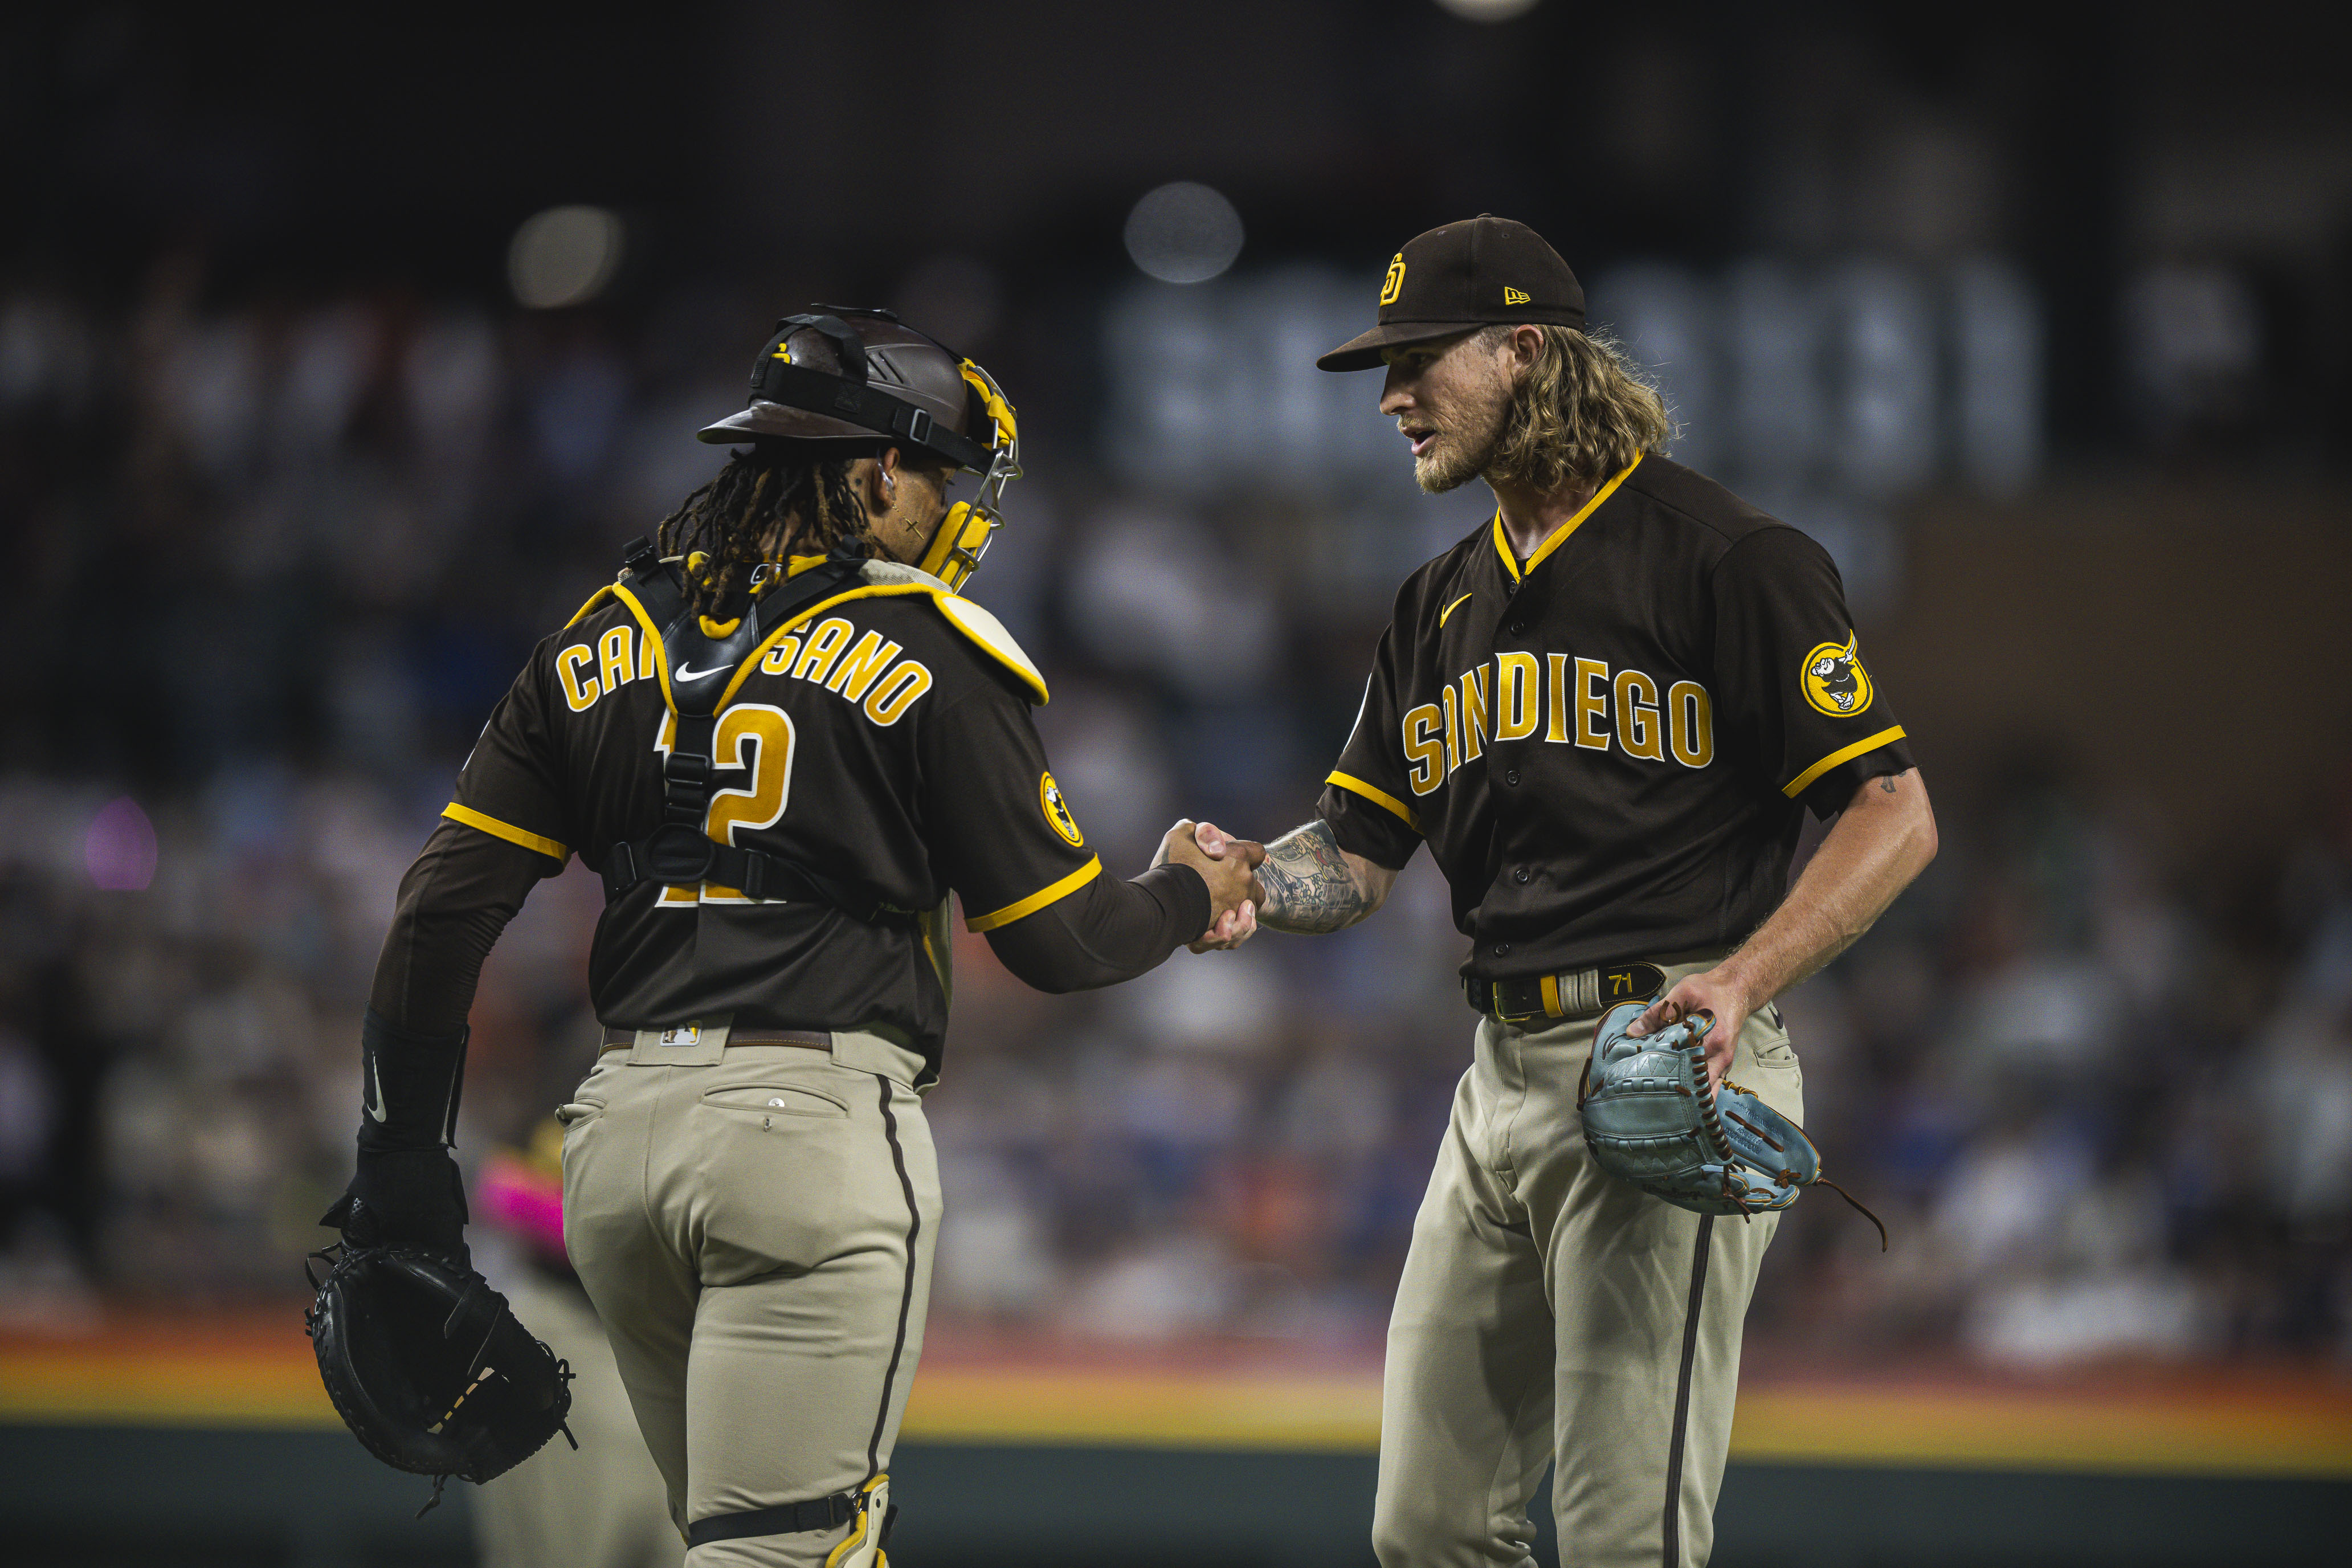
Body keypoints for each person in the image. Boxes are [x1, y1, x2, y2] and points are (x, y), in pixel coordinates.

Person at [322, 307, 1255, 1568]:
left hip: (617, 1146)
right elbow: (1063, 941)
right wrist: (1190, 891)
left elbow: (438, 911)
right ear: (874, 471)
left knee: (741, 1541)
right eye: (937, 470)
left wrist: (398, 1165)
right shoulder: (928, 643)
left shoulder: (599, 635)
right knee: (783, 1554)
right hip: (805, 1132)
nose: (954, 505)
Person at [1189, 217, 1938, 1567]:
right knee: (1427, 1524)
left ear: (1527, 350)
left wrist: (1745, 980)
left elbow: (1894, 812)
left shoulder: (1729, 556)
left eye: (1420, 359)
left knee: (1621, 1535)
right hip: (1500, 1079)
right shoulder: (1434, 605)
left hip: (1668, 1048)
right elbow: (1355, 857)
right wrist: (1243, 879)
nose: (1391, 396)